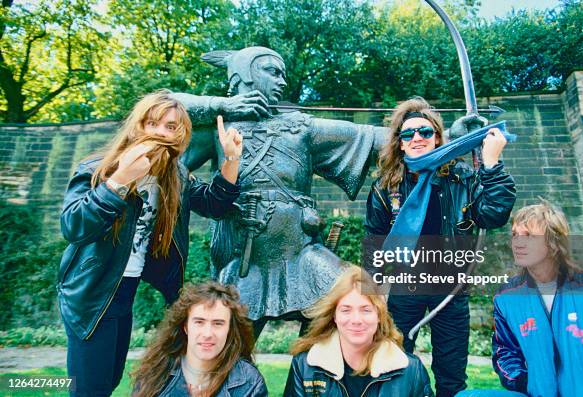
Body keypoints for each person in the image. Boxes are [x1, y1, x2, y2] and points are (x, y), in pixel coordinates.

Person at [171, 46, 390, 338]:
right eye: (272, 72)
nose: (282, 82)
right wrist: (220, 107)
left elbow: (375, 138)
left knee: (344, 300)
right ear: (245, 75)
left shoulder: (300, 127)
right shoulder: (218, 125)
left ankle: (309, 380)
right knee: (230, 346)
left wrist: (444, 136)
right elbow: (160, 109)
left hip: (301, 251)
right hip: (245, 256)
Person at [57, 90, 242, 396]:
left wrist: (231, 158)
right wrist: (118, 181)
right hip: (91, 294)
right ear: (137, 124)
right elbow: (74, 226)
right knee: (90, 388)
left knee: (111, 379)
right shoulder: (97, 167)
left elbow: (214, 205)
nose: (160, 132)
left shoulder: (175, 175)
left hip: (124, 291)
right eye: (152, 123)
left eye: (171, 127)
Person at [364, 97, 516, 396]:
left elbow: (493, 213)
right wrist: (372, 292)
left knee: (451, 373)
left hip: (450, 289)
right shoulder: (386, 187)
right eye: (408, 134)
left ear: (437, 137)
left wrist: (492, 163)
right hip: (404, 290)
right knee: (393, 366)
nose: (416, 138)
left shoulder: (462, 178)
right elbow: (374, 241)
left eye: (424, 132)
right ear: (400, 143)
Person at [458, 202, 583, 397]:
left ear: (554, 241)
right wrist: (525, 382)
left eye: (528, 235)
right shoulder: (507, 297)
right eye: (514, 234)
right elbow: (505, 352)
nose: (517, 242)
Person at [283, 265, 433, 397]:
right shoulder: (304, 367)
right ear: (334, 316)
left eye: (366, 310)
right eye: (346, 310)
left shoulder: (411, 371)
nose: (356, 320)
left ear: (379, 315)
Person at [132, 281, 268, 397]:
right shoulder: (155, 372)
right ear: (185, 326)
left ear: (230, 330)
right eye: (199, 322)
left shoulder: (249, 382)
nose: (207, 333)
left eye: (218, 323)